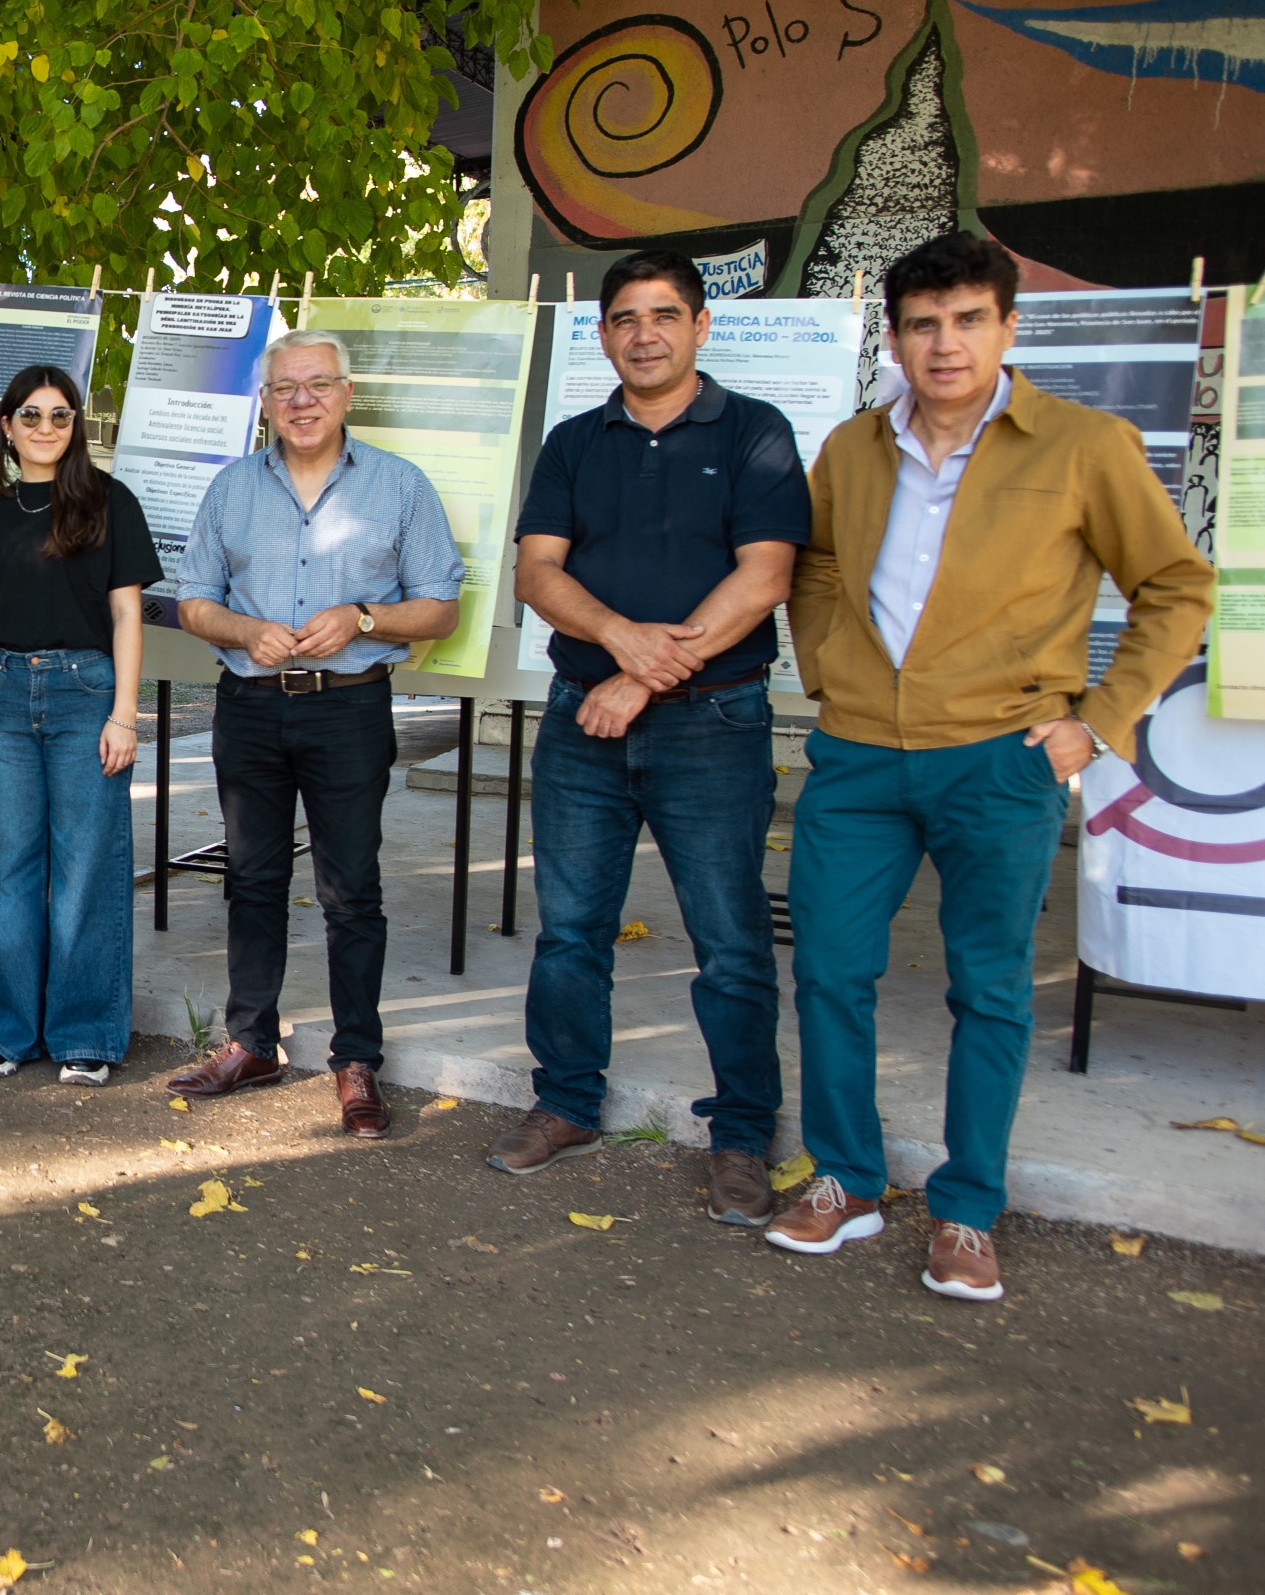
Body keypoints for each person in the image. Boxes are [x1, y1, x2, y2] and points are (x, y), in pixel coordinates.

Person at [776, 233, 1211, 1302]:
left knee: (991, 990)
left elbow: (1175, 585)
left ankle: (969, 1209)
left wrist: (1098, 723)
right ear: (896, 334)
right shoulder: (853, 447)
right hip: (861, 754)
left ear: (1009, 328)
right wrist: (828, 660)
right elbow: (821, 561)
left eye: (969, 319)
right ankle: (846, 1178)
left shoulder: (1081, 445)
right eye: (923, 323)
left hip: (1001, 760)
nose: (945, 343)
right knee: (830, 969)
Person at [488, 253, 810, 1226]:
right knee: (571, 929)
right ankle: (568, 1103)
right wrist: (618, 640)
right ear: (605, 334)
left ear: (701, 326)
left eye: (664, 315)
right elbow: (537, 571)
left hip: (712, 724)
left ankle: (744, 1134)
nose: (644, 333)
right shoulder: (576, 442)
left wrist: (638, 674)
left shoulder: (755, 431)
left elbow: (766, 577)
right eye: (625, 318)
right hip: (583, 721)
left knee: (730, 941)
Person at [168, 330, 462, 1134]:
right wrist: (237, 628)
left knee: (350, 890)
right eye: (284, 388)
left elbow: (441, 605)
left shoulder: (400, 487)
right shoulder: (232, 489)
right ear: (263, 402)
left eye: (317, 384)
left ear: (346, 394)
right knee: (252, 877)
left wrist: (364, 616)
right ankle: (250, 1043)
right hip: (251, 705)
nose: (301, 401)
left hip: (349, 707)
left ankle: (356, 1059)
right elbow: (192, 599)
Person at [0, 365, 159, 1084]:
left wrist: (125, 716)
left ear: (75, 427)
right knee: (6, 871)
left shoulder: (108, 502)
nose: (46, 428)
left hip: (86, 695)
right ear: (7, 427)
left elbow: (128, 613)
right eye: (31, 415)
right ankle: (8, 1033)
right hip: (4, 699)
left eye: (60, 416)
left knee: (88, 872)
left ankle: (85, 1035)